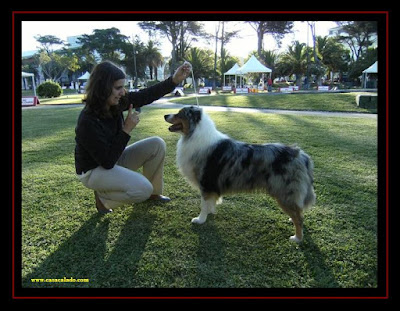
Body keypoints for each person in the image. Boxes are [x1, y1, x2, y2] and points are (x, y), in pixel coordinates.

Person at [75, 60, 191, 213]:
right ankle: (103, 199)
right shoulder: (87, 121)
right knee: (142, 189)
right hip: (94, 171)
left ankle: (154, 194)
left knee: (157, 144)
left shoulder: (116, 103)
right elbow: (107, 162)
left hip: (113, 159)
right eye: (118, 88)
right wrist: (126, 129)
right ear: (102, 89)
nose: (123, 92)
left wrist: (174, 80)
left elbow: (146, 95)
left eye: (123, 87)